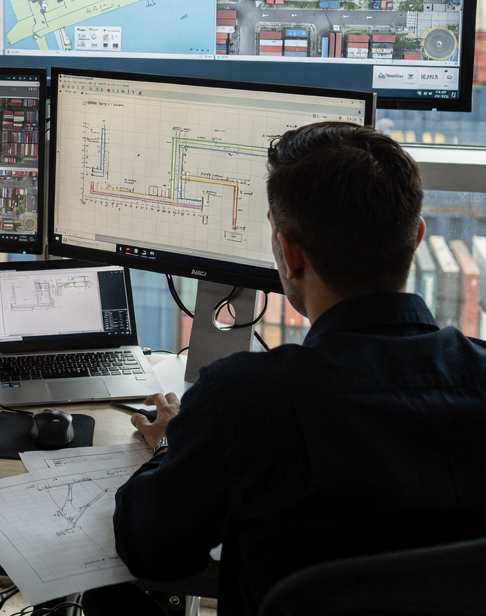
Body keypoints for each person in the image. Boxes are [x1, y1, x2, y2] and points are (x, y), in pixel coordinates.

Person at [91, 122, 486, 616]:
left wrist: (172, 443)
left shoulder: (241, 401)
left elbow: (149, 549)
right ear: (417, 237)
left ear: (290, 252)